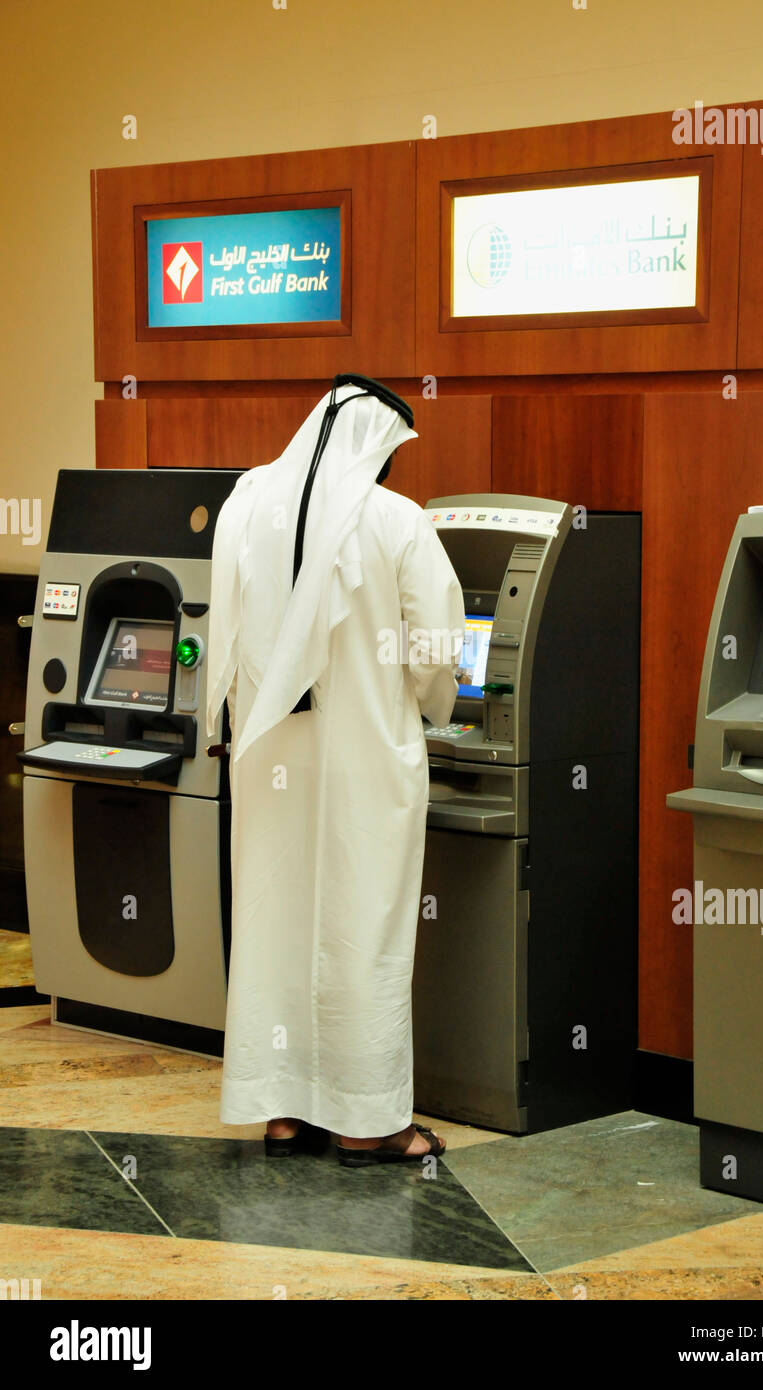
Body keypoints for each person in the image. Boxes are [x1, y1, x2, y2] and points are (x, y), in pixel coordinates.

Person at [206, 376, 464, 1166]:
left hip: (268, 755)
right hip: (363, 757)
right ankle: (369, 1122)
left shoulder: (246, 503)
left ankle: (283, 1113)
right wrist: (433, 708)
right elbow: (437, 650)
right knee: (364, 925)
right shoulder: (395, 520)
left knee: (275, 920)